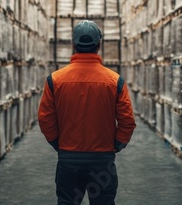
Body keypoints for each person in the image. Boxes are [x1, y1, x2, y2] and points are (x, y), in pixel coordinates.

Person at [38, 20, 136, 205]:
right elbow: (127, 121)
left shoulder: (55, 80)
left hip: (69, 159)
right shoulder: (115, 81)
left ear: (73, 45)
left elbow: (45, 119)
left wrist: (58, 143)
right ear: (99, 45)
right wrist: (116, 145)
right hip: (102, 161)